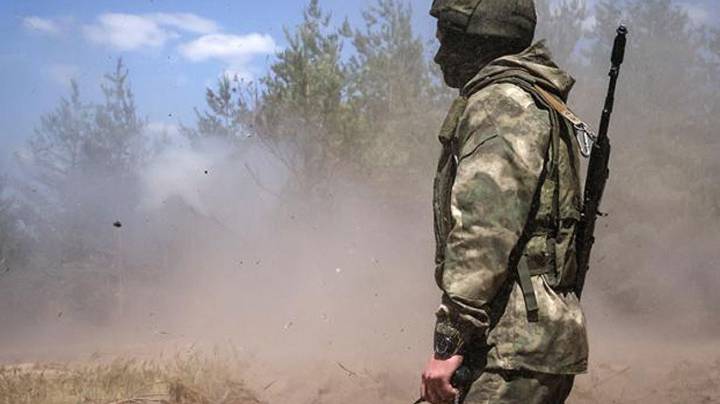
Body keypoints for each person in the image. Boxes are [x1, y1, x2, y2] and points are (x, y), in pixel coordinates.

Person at [420, 0, 590, 403]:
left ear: (480, 41)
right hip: (534, 343)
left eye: (448, 41)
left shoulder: (500, 103)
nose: (439, 56)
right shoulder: (538, 99)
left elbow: (485, 230)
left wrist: (449, 343)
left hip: (511, 346)